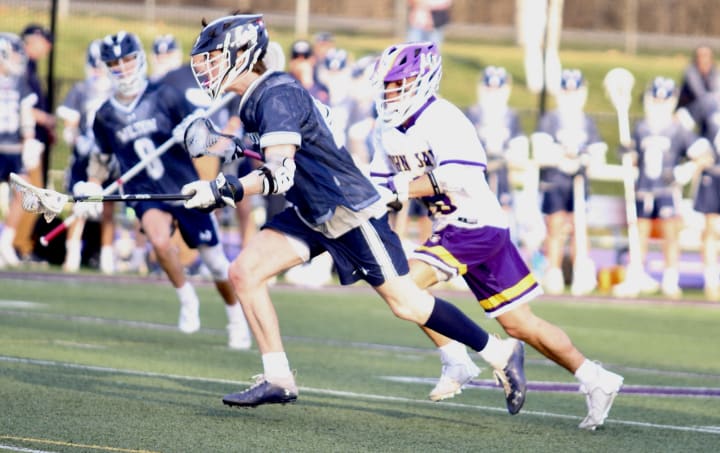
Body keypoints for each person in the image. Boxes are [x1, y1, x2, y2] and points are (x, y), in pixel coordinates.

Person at [179, 14, 526, 413]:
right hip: (311, 208)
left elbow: (280, 172)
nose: (206, 67)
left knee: (406, 303)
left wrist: (222, 189)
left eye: (213, 57)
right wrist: (231, 156)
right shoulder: (259, 98)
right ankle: (278, 378)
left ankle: (499, 352)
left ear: (242, 54)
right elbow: (305, 139)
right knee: (244, 272)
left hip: (347, 208)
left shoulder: (275, 94)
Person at [369, 41, 624, 431]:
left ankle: (456, 359)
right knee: (520, 324)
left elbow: (460, 174)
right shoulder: (385, 129)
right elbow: (377, 184)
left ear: (423, 81)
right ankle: (595, 377)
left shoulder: (443, 118)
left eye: (397, 84)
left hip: (473, 224)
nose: (390, 93)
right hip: (463, 227)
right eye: (386, 85)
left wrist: (400, 189)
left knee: (404, 287)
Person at [73, 30, 251, 350]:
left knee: (216, 263)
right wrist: (93, 186)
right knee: (158, 241)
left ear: (139, 59)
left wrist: (190, 132)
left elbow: (200, 131)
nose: (123, 68)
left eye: (128, 60)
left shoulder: (164, 94)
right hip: (146, 191)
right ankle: (187, 298)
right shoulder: (105, 115)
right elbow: (101, 158)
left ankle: (235, 317)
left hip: (185, 187)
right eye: (115, 63)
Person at [612, 77, 710, 299]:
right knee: (639, 234)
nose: (658, 105)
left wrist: (685, 170)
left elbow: (704, 154)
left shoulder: (677, 130)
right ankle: (636, 274)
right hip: (644, 189)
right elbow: (634, 156)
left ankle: (670, 277)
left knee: (670, 234)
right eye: (655, 100)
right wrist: (628, 154)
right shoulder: (641, 127)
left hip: (667, 190)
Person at [532, 69, 607, 296]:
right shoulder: (551, 119)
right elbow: (541, 148)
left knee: (579, 228)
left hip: (579, 181)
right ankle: (553, 271)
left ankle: (580, 270)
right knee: (555, 226)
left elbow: (597, 150)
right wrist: (561, 157)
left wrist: (584, 159)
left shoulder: (587, 121)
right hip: (556, 180)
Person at [56, 39, 114, 273]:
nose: (98, 70)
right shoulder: (81, 90)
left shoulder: (115, 92)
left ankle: (107, 256)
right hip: (84, 157)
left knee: (108, 207)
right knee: (79, 205)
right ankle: (72, 254)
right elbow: (70, 124)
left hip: (108, 158)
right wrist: (76, 138)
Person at [0, 32, 43, 268]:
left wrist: (29, 140)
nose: (17, 59)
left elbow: (26, 111)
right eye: (14, 54)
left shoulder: (18, 81)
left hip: (13, 147)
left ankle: (5, 241)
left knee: (24, 193)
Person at [677, 45, 720, 134]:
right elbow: (700, 94)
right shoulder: (691, 71)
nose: (703, 59)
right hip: (687, 110)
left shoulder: (714, 71)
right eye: (701, 56)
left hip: (707, 108)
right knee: (710, 101)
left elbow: (716, 91)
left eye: (706, 56)